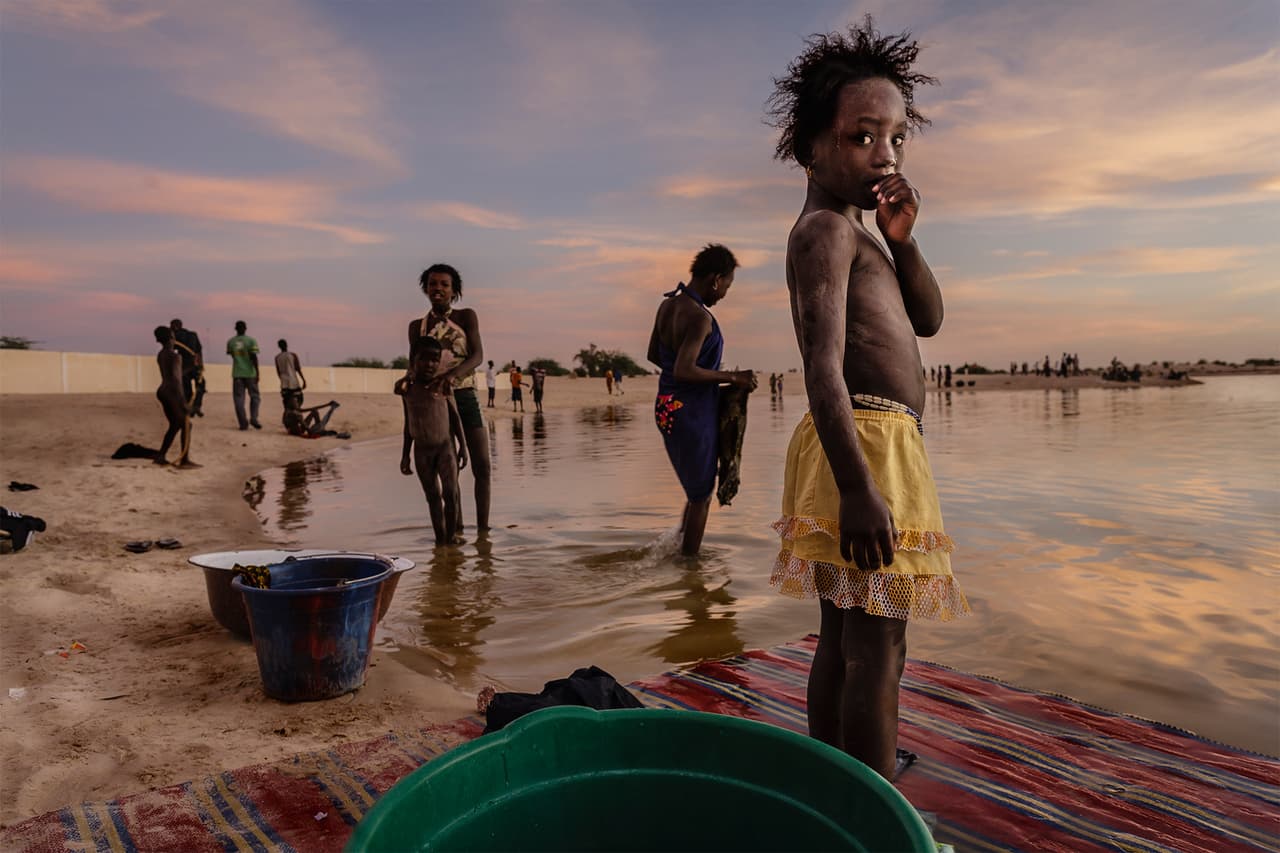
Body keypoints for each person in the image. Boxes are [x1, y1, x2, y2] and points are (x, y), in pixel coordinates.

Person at [765, 17, 969, 779]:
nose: (884, 154)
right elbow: (821, 367)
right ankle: (875, 810)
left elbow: (929, 319)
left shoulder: (866, 234)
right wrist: (856, 488)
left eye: (896, 138)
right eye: (861, 137)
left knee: (848, 637)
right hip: (864, 445)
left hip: (876, 444)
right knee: (877, 644)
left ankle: (833, 785)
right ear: (810, 147)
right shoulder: (822, 230)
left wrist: (906, 240)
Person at [646, 243, 757, 556]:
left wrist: (699, 384)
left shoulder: (668, 306)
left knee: (697, 490)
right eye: (727, 287)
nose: (724, 295)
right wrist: (733, 378)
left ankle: (680, 547)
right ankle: (690, 572)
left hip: (666, 406)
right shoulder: (699, 318)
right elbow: (684, 369)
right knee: (701, 497)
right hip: (690, 414)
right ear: (716, 279)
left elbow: (655, 355)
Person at [407, 263, 491, 531]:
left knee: (482, 467)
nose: (438, 289)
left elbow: (477, 356)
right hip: (434, 404)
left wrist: (451, 377)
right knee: (449, 473)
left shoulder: (466, 316)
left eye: (444, 284)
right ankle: (456, 532)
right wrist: (407, 379)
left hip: (464, 395)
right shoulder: (417, 327)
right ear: (426, 288)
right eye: (433, 284)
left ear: (454, 290)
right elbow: (414, 364)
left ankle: (483, 535)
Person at [397, 337, 468, 545]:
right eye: (423, 359)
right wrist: (404, 456)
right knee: (433, 497)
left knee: (451, 493)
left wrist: (463, 447)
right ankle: (440, 541)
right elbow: (408, 424)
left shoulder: (443, 386)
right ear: (414, 361)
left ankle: (450, 537)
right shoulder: (407, 390)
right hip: (421, 451)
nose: (429, 364)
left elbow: (455, 418)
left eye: (434, 360)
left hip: (445, 448)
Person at [153, 326, 198, 468]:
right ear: (172, 339)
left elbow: (176, 373)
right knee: (186, 424)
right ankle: (184, 460)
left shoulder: (162, 354)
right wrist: (183, 402)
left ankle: (161, 456)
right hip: (172, 392)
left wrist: (192, 366)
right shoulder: (175, 356)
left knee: (175, 424)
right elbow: (176, 381)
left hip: (163, 391)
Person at [226, 320, 261, 430]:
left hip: (237, 374)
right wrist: (257, 372)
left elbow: (232, 355)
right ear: (245, 328)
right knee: (255, 397)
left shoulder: (231, 342)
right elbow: (253, 357)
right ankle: (254, 417)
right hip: (250, 373)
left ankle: (243, 423)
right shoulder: (251, 341)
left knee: (238, 399)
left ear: (235, 329)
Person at [169, 318, 204, 417]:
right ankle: (197, 406)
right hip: (195, 366)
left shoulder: (175, 336)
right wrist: (201, 365)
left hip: (184, 367)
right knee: (201, 386)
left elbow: (170, 351)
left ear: (175, 326)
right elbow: (199, 351)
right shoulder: (193, 335)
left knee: (186, 388)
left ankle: (189, 408)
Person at [274, 339, 306, 411]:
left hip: (284, 383)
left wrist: (282, 380)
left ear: (279, 347)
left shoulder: (277, 357)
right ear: (287, 345)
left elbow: (278, 372)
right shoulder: (293, 355)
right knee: (299, 398)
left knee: (286, 400)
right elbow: (298, 369)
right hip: (293, 382)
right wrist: (303, 380)